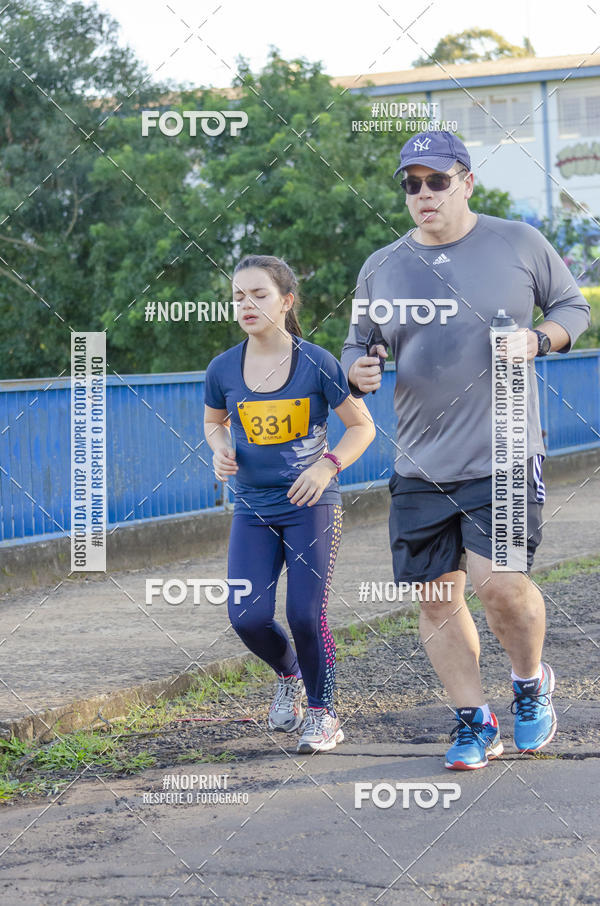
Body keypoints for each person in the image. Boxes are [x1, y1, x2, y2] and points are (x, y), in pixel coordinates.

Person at [341, 131, 591, 770]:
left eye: (437, 181)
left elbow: (573, 307)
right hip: (421, 461)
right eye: (411, 184)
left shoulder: (517, 242)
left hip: (506, 449)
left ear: (466, 182)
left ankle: (531, 685)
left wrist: (540, 339)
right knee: (436, 597)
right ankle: (473, 720)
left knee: (500, 585)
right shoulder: (382, 265)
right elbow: (359, 343)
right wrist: (358, 371)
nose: (423, 194)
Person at [204, 254, 375, 753]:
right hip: (253, 508)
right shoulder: (221, 369)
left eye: (259, 294)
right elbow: (215, 424)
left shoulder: (318, 362)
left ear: (287, 301)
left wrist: (327, 466)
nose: (247, 304)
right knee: (246, 616)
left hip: (311, 506)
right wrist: (219, 449)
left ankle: (323, 716)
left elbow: (362, 426)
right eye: (238, 296)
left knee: (304, 614)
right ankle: (289, 676)